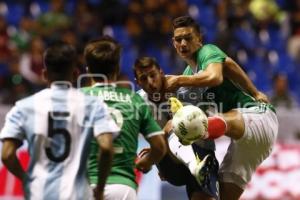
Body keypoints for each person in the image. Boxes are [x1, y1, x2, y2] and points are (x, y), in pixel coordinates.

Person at [163, 15, 278, 200]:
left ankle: (205, 130)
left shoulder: (207, 52)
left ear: (199, 39)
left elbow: (214, 77)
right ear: (173, 42)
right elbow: (230, 63)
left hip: (258, 117)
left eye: (188, 38)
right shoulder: (188, 74)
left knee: (203, 123)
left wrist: (177, 80)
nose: (183, 43)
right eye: (178, 39)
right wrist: (163, 160)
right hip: (245, 145)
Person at [0, 43, 120, 200]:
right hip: (77, 195)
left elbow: (7, 154)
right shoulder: (92, 105)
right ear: (76, 73)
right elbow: (106, 147)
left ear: (44, 74)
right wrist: (100, 189)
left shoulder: (24, 107)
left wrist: (26, 180)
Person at [82, 36, 167, 200]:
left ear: (88, 69)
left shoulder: (77, 98)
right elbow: (159, 147)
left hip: (85, 186)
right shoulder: (134, 100)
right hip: (123, 189)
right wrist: (147, 162)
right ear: (117, 68)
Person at [134, 57, 219, 200]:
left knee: (179, 122)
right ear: (138, 83)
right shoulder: (137, 103)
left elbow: (215, 79)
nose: (150, 82)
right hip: (170, 166)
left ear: (161, 73)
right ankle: (194, 166)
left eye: (153, 75)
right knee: (173, 126)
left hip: (202, 152)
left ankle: (197, 168)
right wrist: (157, 148)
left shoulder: (185, 87)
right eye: (143, 79)